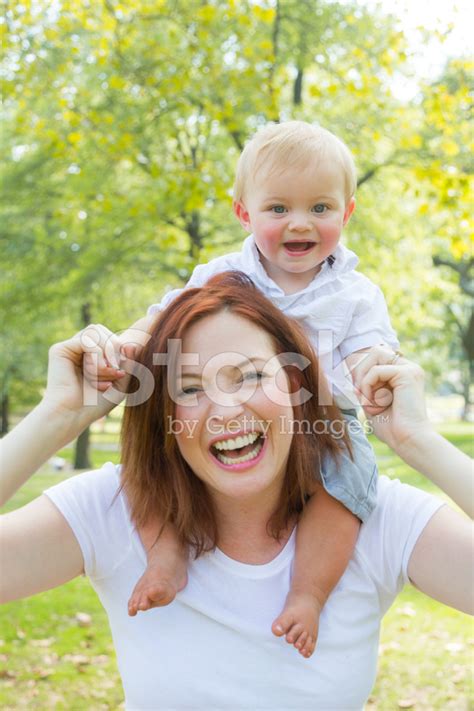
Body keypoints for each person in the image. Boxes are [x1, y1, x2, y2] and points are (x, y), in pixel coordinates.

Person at [0, 272, 472, 711]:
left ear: (294, 385)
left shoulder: (369, 513)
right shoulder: (113, 509)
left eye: (248, 376)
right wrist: (56, 417)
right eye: (188, 389)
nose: (226, 411)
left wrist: (420, 443)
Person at [87, 121, 401, 657]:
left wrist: (378, 371)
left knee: (348, 488)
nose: (299, 222)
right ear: (244, 213)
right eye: (278, 209)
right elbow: (164, 315)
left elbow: (370, 350)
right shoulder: (226, 273)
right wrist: (126, 344)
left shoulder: (355, 292)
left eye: (320, 209)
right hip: (232, 407)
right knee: (150, 458)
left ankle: (307, 592)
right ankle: (166, 554)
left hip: (323, 418)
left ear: (347, 212)